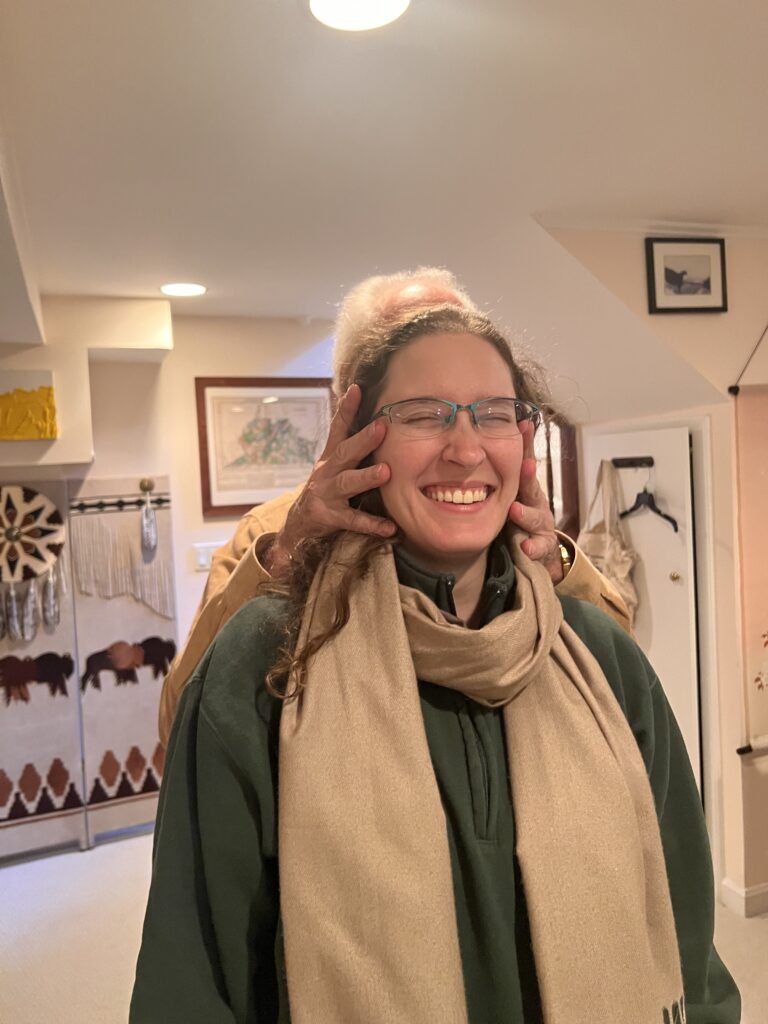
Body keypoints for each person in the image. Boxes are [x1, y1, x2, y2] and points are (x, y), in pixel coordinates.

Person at [132, 296, 739, 1023]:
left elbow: (686, 936)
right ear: (357, 443)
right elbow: (193, 976)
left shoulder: (595, 653)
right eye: (424, 413)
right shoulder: (270, 657)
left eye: (491, 414)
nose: (464, 449)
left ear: (523, 442)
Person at [158, 268, 630, 746]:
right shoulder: (271, 530)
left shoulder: (512, 523)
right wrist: (289, 554)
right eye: (422, 409)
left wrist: (557, 568)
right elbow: (187, 719)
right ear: (351, 400)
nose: (464, 452)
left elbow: (620, 671)